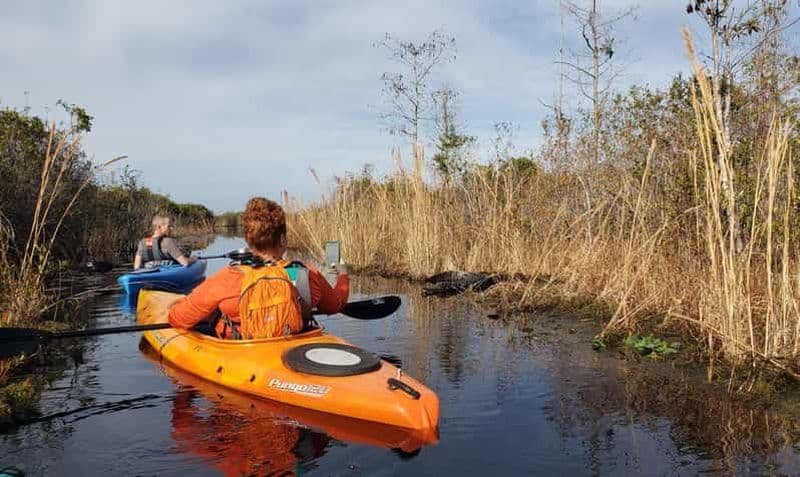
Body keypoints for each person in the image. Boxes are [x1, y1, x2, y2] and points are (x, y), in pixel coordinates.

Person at [168, 197, 349, 339]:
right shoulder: (308, 274)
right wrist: (343, 275)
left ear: (249, 241)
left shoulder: (227, 279)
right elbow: (336, 304)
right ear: (283, 239)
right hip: (295, 350)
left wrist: (177, 306)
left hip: (243, 358)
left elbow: (178, 319)